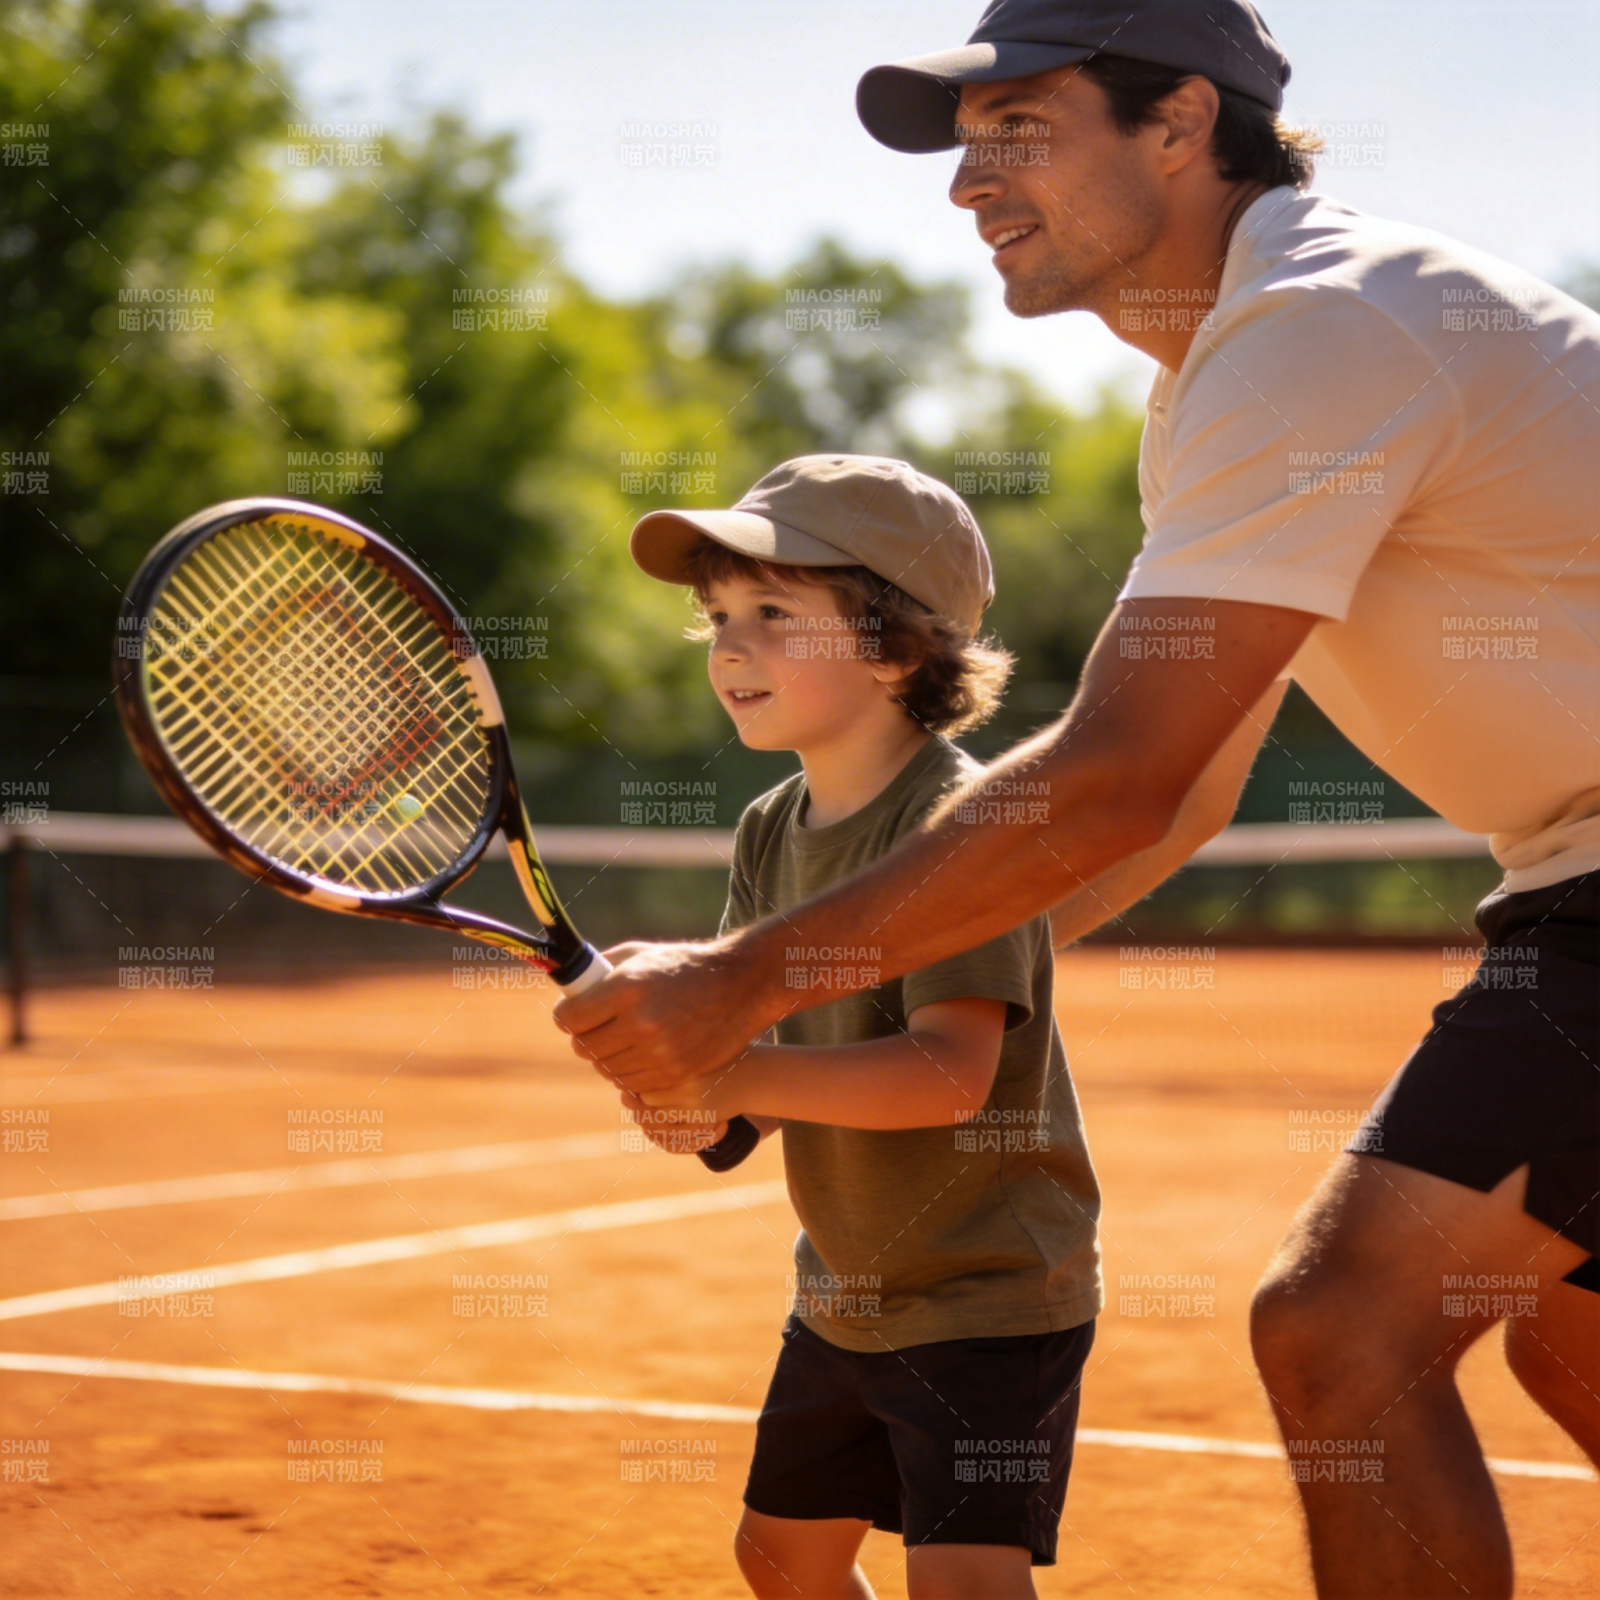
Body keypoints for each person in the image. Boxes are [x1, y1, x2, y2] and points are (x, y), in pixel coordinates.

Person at [558, 3, 1600, 1596]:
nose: (968, 182)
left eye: (1020, 131)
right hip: (1568, 877)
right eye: (967, 146)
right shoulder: (1224, 386)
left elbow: (1117, 778)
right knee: (1572, 1340)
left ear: (1178, 124)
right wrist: (848, 1006)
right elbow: (1184, 798)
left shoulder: (1316, 330)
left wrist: (746, 985)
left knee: (1343, 1329)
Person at [616, 454, 1102, 1600]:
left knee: (962, 1580)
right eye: (719, 617)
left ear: (894, 647)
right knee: (782, 1557)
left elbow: (946, 1075)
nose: (730, 648)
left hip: (988, 1290)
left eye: (774, 613)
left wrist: (734, 1073)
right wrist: (694, 1098)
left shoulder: (964, 827)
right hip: (844, 1285)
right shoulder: (768, 826)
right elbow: (750, 1055)